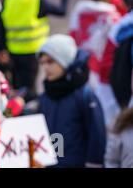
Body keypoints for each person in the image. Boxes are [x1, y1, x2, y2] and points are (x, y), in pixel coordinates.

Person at [0, 0, 75, 101]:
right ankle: (28, 114)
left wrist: (1, 48)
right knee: (30, 89)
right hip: (32, 51)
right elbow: (61, 11)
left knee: (17, 86)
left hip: (13, 50)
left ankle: (17, 111)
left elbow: (1, 24)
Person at [37, 34, 106, 168]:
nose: (45, 68)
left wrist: (94, 164)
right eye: (42, 62)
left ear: (65, 61)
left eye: (50, 62)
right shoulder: (46, 96)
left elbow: (96, 136)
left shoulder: (84, 95)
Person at [69, 0, 121, 127]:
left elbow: (72, 36)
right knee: (103, 108)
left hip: (82, 63)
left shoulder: (79, 12)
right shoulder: (113, 16)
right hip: (102, 66)